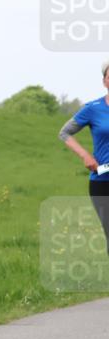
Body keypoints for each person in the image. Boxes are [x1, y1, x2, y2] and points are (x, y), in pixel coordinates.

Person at [58, 59, 109, 255]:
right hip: (102, 181)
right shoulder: (93, 108)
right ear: (104, 81)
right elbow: (64, 133)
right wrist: (85, 155)